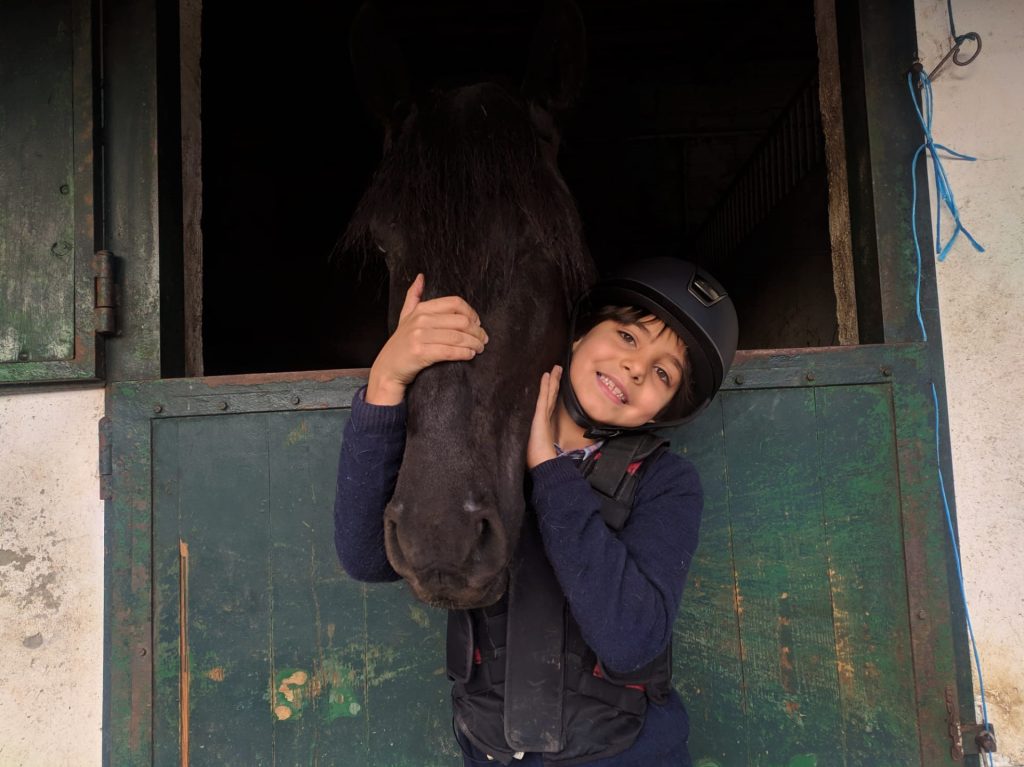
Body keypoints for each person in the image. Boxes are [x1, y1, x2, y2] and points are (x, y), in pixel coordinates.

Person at [334, 258, 738, 766]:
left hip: (625, 753)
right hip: (491, 752)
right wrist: (386, 382)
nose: (637, 366)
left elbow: (631, 642)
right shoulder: (483, 458)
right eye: (628, 337)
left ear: (663, 409)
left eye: (662, 373)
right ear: (577, 337)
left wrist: (550, 470)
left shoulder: (666, 483)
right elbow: (367, 557)